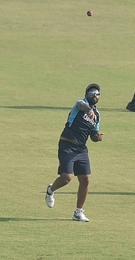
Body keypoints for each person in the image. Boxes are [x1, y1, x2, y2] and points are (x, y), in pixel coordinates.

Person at [45, 83, 104, 222]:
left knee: (85, 180)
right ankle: (50, 190)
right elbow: (80, 105)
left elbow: (93, 135)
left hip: (81, 149)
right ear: (86, 95)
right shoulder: (81, 104)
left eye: (97, 93)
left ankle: (78, 212)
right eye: (91, 93)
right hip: (67, 145)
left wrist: (98, 137)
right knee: (67, 177)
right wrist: (88, 109)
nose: (94, 95)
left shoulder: (97, 115)